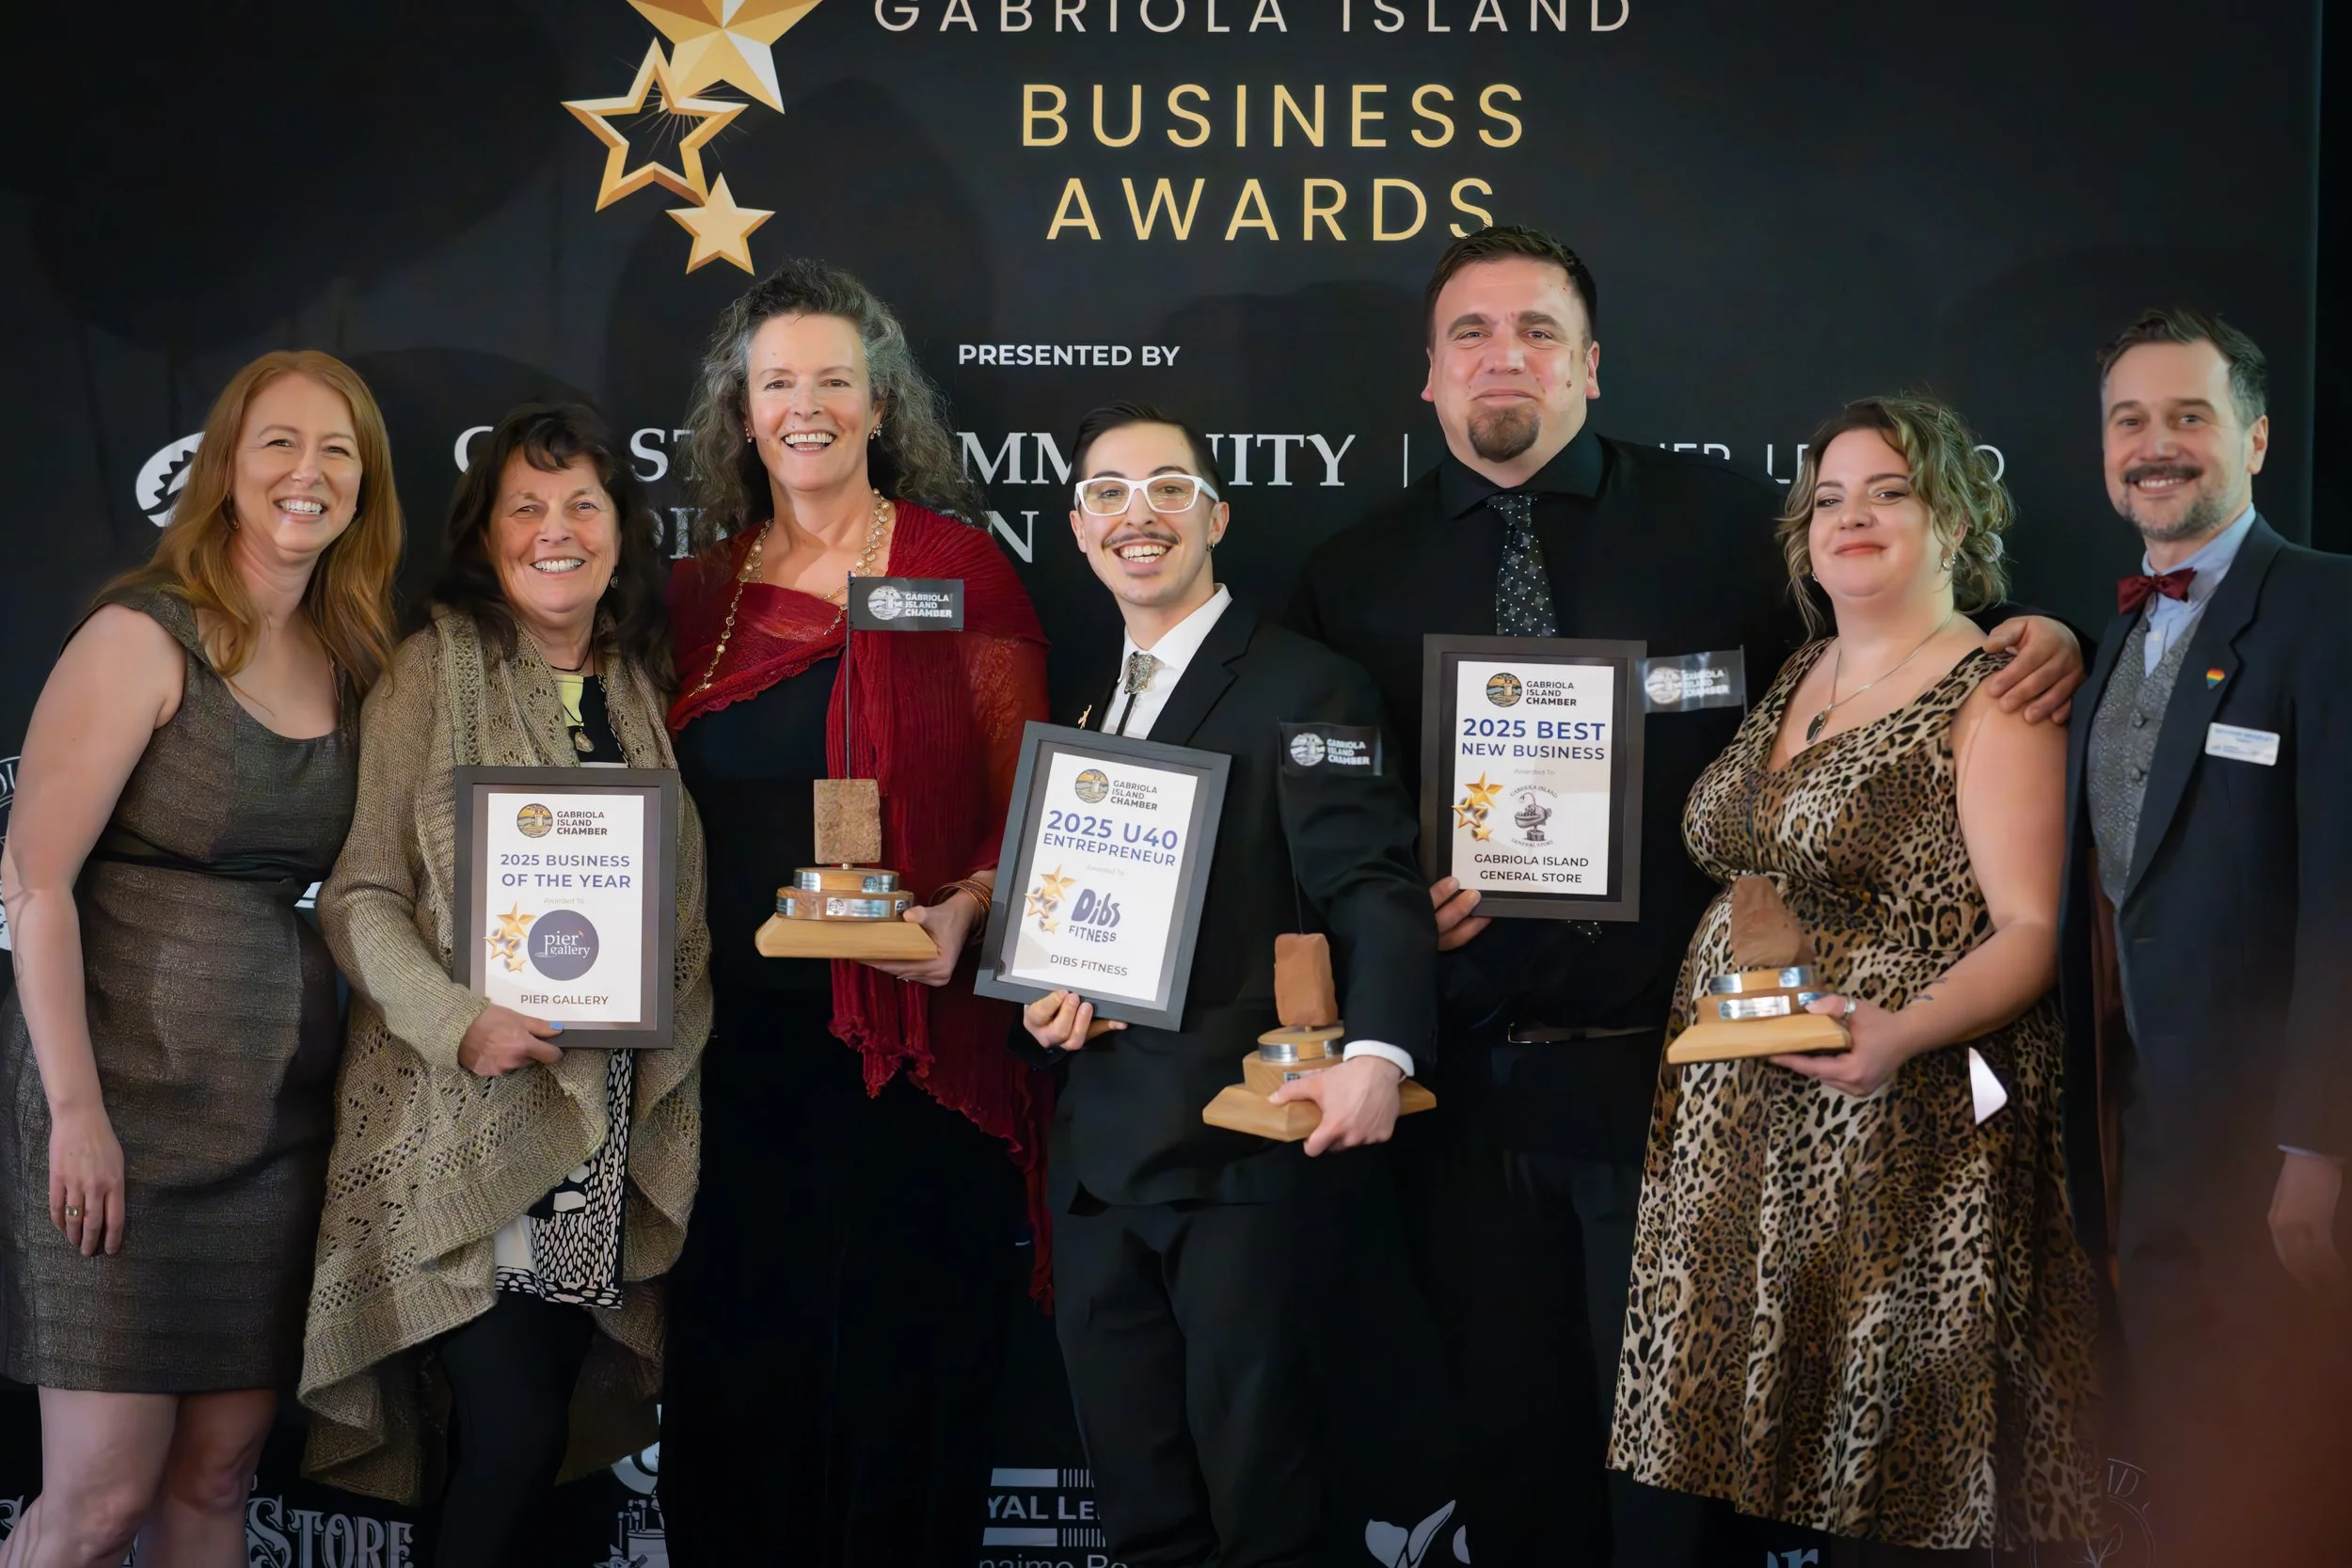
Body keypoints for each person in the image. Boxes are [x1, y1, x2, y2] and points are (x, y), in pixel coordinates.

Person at [1284, 225, 2089, 1565]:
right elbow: (1316, 815)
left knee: (1677, 1497)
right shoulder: (1348, 572)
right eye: (1472, 334)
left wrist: (2046, 633)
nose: (1506, 357)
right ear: (1427, 378)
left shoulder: (1727, 533)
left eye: (1539, 331)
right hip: (1462, 1094)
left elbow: (1897, 657)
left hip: (1685, 1095)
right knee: (1511, 1453)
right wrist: (1375, 921)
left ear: (1590, 366)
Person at [1608, 396, 2101, 1564]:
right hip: (1744, 1146)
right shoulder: (1795, 675)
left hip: (1902, 1140)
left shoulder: (1997, 685)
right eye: (1829, 496)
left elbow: (2034, 926)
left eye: (1890, 491)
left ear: (1956, 519)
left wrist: (1898, 1032)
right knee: (1765, 1487)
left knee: (1899, 1494)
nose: (1853, 515)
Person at [660, 259, 1051, 1567]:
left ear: (882, 404)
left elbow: (1028, 797)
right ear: (744, 410)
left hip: (912, 1051)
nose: (808, 405)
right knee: (739, 1378)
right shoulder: (696, 596)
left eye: (836, 379)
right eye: (780, 382)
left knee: (903, 1379)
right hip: (731, 1064)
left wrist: (972, 909)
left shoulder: (957, 573)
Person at [0, 350, 401, 1568]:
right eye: (279, 441)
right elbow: (36, 882)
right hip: (115, 1127)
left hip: (272, 1134)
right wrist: (75, 1111)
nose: (308, 472)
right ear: (226, 464)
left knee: (217, 1478)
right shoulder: (141, 635)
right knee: (98, 1499)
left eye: (338, 451)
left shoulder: (349, 655)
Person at [1018, 403, 1435, 1568]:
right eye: (1107, 492)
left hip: (1244, 1171)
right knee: (1145, 1517)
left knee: (1264, 1514)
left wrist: (1383, 1055)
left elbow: (1374, 887)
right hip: (1100, 1167)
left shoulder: (1307, 685)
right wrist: (1050, 993)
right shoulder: (1095, 708)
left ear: (1216, 513)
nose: (1135, 514)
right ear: (1078, 526)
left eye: (1165, 487)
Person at [294, 403, 711, 1564]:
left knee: (554, 1451)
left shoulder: (637, 683)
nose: (556, 529)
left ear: (621, 534)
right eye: (526, 506)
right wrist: (456, 1020)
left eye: (583, 502)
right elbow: (362, 892)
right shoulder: (431, 670)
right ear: (486, 537)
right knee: (515, 1433)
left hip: (602, 1125)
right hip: (468, 1110)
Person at [2057, 308, 2352, 1565]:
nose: (2155, 445)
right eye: (2131, 419)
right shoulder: (2118, 624)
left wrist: (2319, 1138)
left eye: (2190, 415)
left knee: (2287, 1467)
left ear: (2258, 438)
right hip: (2151, 1128)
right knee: (2183, 1448)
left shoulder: (2329, 607)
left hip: (2277, 1144)